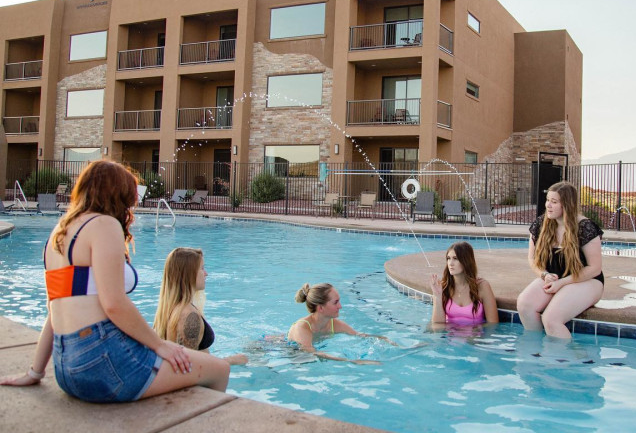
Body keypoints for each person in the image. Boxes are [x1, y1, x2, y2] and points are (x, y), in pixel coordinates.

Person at [0, 160, 230, 402]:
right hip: (103, 362)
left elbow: (53, 311)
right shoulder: (102, 224)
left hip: (66, 369)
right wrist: (161, 345)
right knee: (219, 369)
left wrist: (35, 372)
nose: (131, 206)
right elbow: (114, 304)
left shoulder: (58, 232)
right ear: (114, 193)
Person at [515, 181, 604, 339]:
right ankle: (536, 351)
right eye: (548, 200)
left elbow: (595, 268)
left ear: (567, 205)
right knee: (524, 305)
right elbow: (532, 259)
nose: (548, 205)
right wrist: (544, 275)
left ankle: (562, 360)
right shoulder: (540, 225)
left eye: (554, 202)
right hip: (554, 277)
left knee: (551, 319)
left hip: (585, 280)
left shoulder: (585, 227)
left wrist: (562, 283)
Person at [153, 247, 247, 365]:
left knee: (256, 347)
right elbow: (191, 369)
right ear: (189, 274)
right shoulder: (189, 316)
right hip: (204, 378)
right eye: (202, 268)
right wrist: (231, 361)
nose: (206, 274)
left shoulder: (170, 309)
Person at [287, 283, 394, 364]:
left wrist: (386, 339)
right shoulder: (302, 327)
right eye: (335, 302)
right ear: (320, 308)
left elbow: (360, 335)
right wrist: (351, 361)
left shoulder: (334, 324)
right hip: (286, 351)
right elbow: (310, 352)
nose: (340, 306)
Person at [429, 241, 499, 325]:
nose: (450, 263)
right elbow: (437, 326)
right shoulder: (444, 287)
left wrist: (475, 333)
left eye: (455, 259)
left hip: (474, 337)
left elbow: (493, 324)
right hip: (450, 336)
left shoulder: (482, 286)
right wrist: (437, 296)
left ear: (466, 261)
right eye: (448, 258)